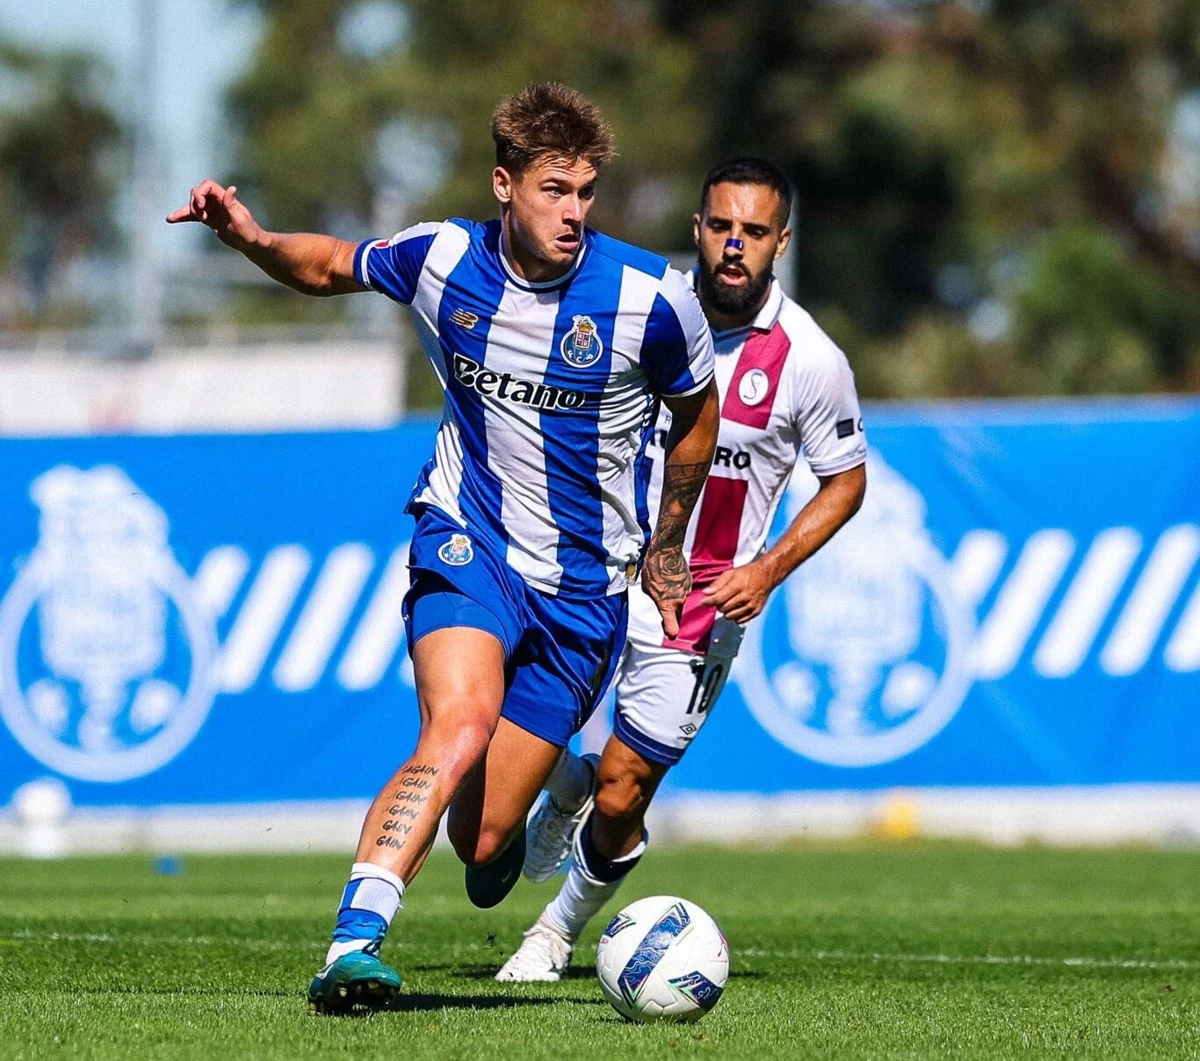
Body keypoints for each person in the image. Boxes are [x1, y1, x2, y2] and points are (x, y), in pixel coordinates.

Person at [168, 82, 719, 1012]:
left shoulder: (650, 301)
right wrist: (253, 241)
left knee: (485, 843)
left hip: (585, 592)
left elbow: (697, 419)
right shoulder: (442, 259)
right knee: (457, 724)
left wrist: (665, 549)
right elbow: (330, 264)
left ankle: (557, 787)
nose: (575, 212)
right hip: (468, 540)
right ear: (505, 184)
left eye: (587, 192)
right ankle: (353, 942)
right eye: (555, 190)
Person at [495, 157, 867, 982]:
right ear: (698, 226)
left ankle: (553, 935)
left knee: (626, 793)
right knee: (509, 726)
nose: (735, 246)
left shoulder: (809, 357)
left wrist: (767, 568)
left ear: (782, 241)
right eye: (721, 226)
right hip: (595, 566)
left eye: (755, 232)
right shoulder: (644, 307)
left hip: (699, 606)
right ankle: (565, 781)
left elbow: (846, 482)